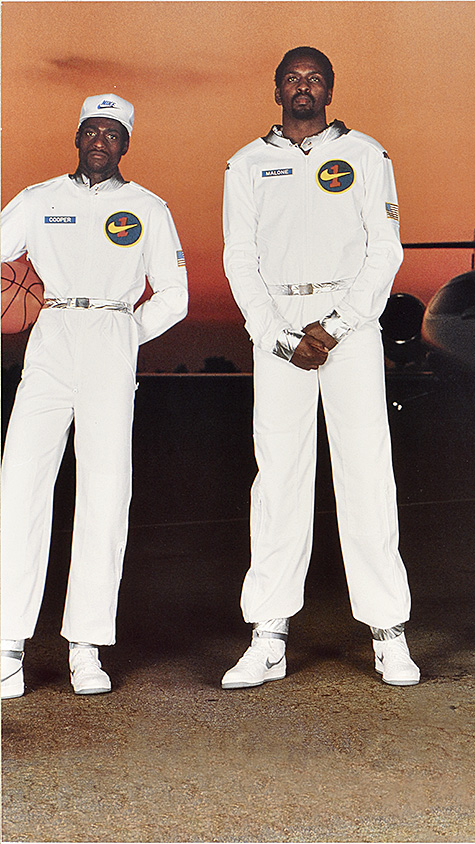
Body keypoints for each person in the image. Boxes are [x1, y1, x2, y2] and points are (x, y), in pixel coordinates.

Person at [221, 46, 420, 688]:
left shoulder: (366, 154)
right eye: (293, 77)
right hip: (280, 332)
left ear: (330, 87)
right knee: (278, 478)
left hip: (349, 330)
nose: (303, 86)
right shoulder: (247, 164)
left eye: (315, 78)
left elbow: (384, 251)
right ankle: (269, 635)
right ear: (276, 86)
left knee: (366, 473)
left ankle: (388, 632)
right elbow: (239, 260)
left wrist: (333, 326)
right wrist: (279, 336)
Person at [0, 94, 188, 699]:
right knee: (20, 484)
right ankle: (7, 645)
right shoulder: (39, 199)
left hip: (111, 333)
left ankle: (86, 646)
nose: (101, 141)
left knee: (104, 491)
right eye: (92, 131)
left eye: (113, 133)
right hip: (53, 332)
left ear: (126, 144)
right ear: (77, 136)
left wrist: (128, 331)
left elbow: (175, 294)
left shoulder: (147, 208)